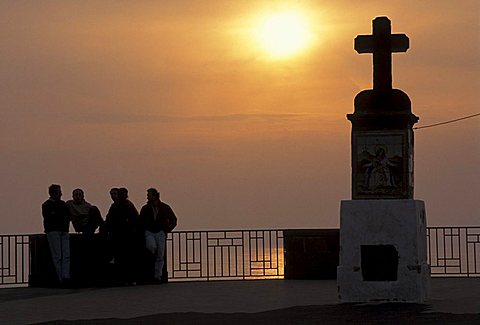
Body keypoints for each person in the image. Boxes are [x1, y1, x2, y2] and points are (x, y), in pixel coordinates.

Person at [139, 188, 177, 283]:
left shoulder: (165, 207)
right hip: (149, 232)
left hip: (160, 232)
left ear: (155, 196)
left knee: (160, 254)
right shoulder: (145, 208)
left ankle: (158, 276)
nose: (147, 197)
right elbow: (140, 221)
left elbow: (174, 219)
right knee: (151, 247)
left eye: (149, 195)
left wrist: (167, 230)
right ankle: (154, 270)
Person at [104, 187, 139, 285]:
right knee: (124, 259)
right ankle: (127, 279)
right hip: (121, 236)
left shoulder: (125, 205)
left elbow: (135, 219)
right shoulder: (117, 206)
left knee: (125, 259)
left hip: (124, 236)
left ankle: (127, 279)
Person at [41, 184, 71, 286]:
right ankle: (61, 278)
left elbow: (67, 216)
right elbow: (51, 217)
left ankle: (65, 277)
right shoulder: (46, 205)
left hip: (63, 231)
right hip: (54, 231)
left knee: (66, 255)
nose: (61, 193)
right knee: (58, 255)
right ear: (54, 193)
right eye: (59, 192)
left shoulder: (63, 204)